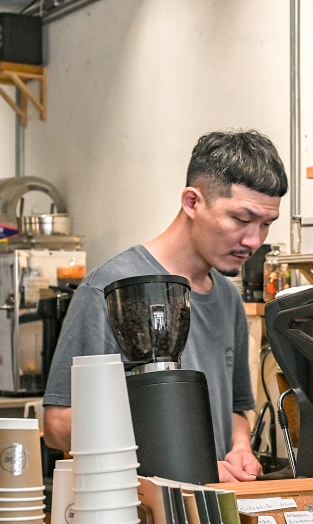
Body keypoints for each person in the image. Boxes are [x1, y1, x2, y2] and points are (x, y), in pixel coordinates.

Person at [43, 129, 288, 483]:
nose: (254, 240)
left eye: (266, 224)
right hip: (136, 519)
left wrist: (240, 448)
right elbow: (59, 425)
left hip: (209, 513)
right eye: (240, 219)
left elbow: (234, 409)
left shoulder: (228, 297)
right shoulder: (110, 289)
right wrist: (185, 460)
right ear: (192, 202)